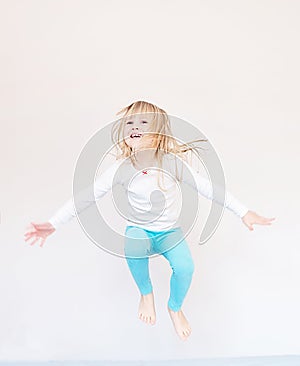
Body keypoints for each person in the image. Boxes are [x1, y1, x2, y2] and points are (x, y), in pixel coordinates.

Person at [24, 101, 275, 341]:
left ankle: (175, 308)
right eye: (129, 123)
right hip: (140, 231)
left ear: (158, 134)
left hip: (169, 233)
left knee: (186, 268)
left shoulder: (173, 164)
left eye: (143, 122)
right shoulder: (120, 169)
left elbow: (209, 189)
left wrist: (243, 212)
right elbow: (85, 198)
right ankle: (146, 293)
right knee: (133, 240)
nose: (134, 127)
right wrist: (53, 223)